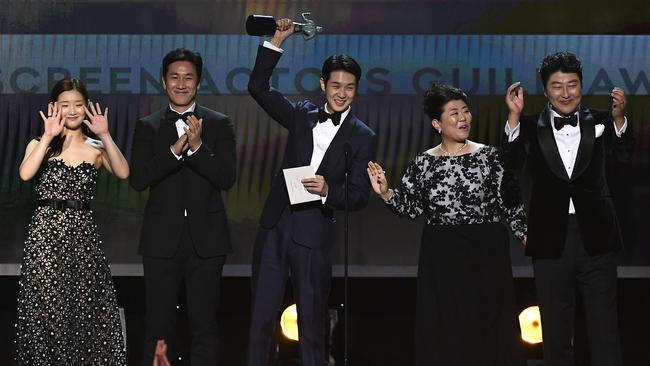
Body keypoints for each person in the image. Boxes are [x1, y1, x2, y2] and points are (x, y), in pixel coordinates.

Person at [246, 18, 377, 366]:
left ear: (357, 89)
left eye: (349, 87)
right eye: (335, 85)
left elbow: (360, 194)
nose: (341, 93)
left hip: (314, 232)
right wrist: (277, 39)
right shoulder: (302, 115)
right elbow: (258, 88)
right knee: (260, 320)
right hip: (276, 226)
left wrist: (328, 190)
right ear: (323, 84)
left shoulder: (363, 135)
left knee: (312, 328)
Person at [368, 82, 527, 366]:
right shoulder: (422, 163)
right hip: (441, 253)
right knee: (445, 326)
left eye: (465, 111)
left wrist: (528, 236)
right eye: (454, 113)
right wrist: (386, 192)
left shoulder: (490, 157)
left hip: (485, 249)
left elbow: (510, 203)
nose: (463, 118)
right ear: (437, 123)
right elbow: (411, 207)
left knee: (489, 325)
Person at [503, 51, 632, 366]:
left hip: (597, 237)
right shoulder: (530, 126)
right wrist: (514, 119)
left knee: (604, 329)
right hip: (550, 240)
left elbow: (622, 160)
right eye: (556, 86)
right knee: (556, 331)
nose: (565, 93)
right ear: (545, 90)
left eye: (572, 85)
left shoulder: (601, 119)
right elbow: (510, 165)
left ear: (582, 86)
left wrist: (618, 121)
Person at [129, 48, 237, 365]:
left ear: (198, 83)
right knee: (158, 327)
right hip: (161, 241)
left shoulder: (219, 124)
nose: (181, 83)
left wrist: (199, 146)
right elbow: (138, 179)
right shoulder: (147, 126)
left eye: (188, 77)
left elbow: (227, 178)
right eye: (174, 77)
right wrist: (175, 151)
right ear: (164, 82)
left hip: (207, 241)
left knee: (204, 327)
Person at [15, 77, 129, 365]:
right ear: (54, 108)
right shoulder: (39, 143)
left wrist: (105, 135)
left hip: (82, 238)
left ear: (86, 107)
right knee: (47, 313)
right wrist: (48, 137)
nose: (73, 110)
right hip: (45, 238)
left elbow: (124, 172)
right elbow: (26, 174)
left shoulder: (95, 147)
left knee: (85, 312)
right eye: (65, 105)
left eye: (78, 104)